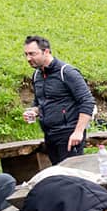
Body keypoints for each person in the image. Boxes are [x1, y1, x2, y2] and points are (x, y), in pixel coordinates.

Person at [22, 34, 95, 164]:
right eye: (26, 54)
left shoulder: (66, 72)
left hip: (69, 134)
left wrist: (78, 132)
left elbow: (87, 101)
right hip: (49, 135)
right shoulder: (37, 75)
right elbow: (39, 103)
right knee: (58, 173)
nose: (28, 58)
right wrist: (33, 111)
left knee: (71, 174)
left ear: (46, 52)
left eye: (32, 54)